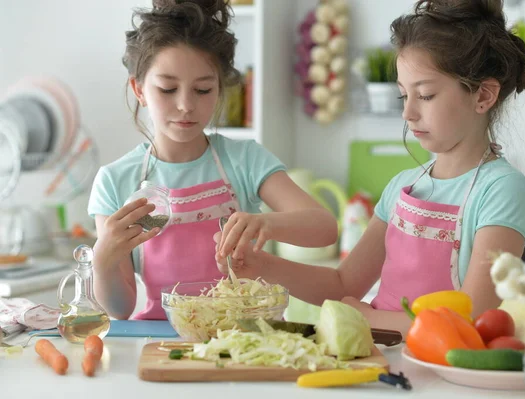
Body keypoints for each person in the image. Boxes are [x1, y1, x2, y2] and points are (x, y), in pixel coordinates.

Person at [214, 0, 525, 335]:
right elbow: (344, 283)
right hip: (378, 360)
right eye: (403, 96)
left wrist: (368, 318)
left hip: (443, 375)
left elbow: (471, 321)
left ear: (483, 95)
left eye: (425, 95)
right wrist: (261, 265)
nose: (408, 113)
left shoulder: (501, 189)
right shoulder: (403, 186)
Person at [87, 0, 338, 320]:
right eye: (167, 89)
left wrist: (265, 223)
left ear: (219, 89)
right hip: (162, 342)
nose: (185, 105)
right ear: (139, 89)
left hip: (242, 338)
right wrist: (104, 258)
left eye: (203, 90)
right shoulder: (115, 181)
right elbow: (119, 309)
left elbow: (324, 228)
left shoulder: (245, 160)